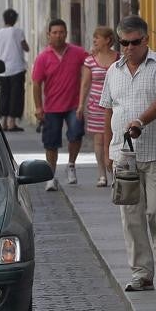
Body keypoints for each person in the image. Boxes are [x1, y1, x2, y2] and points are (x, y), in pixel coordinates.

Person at [99, 15, 156, 292]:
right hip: (125, 156)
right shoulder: (113, 71)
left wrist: (140, 121)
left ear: (146, 40)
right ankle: (142, 274)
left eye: (134, 42)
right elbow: (108, 109)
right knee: (131, 216)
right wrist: (109, 151)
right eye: (124, 43)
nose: (129, 48)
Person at [31, 19, 88, 191]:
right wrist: (38, 107)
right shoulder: (43, 58)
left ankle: (71, 165)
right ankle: (51, 176)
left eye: (61, 32)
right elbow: (36, 84)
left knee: (76, 134)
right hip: (51, 107)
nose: (58, 35)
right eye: (54, 32)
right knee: (51, 143)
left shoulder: (77, 52)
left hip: (73, 105)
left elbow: (91, 63)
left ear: (66, 33)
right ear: (48, 35)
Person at [77, 26, 118, 186]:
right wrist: (81, 104)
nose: (94, 41)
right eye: (94, 38)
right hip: (96, 105)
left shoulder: (119, 58)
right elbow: (85, 84)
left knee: (115, 138)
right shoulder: (90, 60)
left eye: (97, 37)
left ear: (107, 40)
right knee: (99, 141)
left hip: (115, 105)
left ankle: (115, 171)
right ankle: (102, 174)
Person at [0, 8, 29, 131]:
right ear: (15, 20)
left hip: (3, 70)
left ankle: (4, 122)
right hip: (17, 68)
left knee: (4, 95)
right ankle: (12, 122)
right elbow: (26, 47)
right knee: (16, 95)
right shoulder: (19, 32)